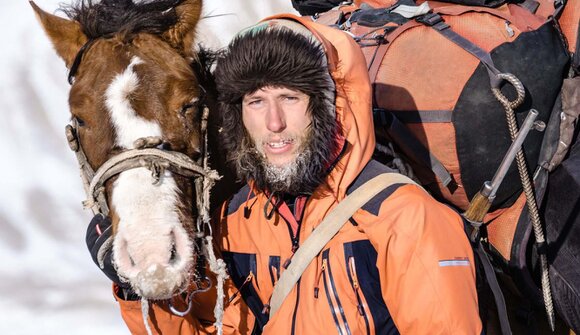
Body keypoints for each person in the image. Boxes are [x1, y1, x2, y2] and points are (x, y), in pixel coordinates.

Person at [90, 15, 482, 334]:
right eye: (256, 101)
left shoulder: (406, 218)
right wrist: (136, 286)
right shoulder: (238, 221)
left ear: (330, 106)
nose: (273, 123)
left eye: (290, 98)